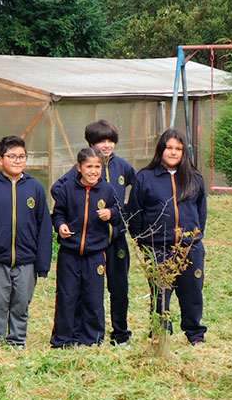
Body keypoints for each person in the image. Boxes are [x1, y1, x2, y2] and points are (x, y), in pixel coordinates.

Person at [0, 136, 52, 348]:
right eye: (12, 156)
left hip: (26, 259)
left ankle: (17, 341)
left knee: (21, 304)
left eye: (22, 156)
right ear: (0, 159)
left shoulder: (35, 188)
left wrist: (42, 263)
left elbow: (44, 227)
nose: (17, 161)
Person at [58, 120, 137, 345]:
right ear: (91, 143)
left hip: (116, 239)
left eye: (110, 140)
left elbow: (140, 189)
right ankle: (84, 334)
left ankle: (120, 333)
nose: (106, 145)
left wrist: (122, 213)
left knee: (119, 287)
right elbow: (58, 189)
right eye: (101, 141)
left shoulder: (122, 167)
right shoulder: (81, 169)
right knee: (89, 290)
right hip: (91, 241)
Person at [127, 129, 207, 345]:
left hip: (189, 247)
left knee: (192, 293)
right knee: (160, 294)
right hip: (158, 247)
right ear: (161, 150)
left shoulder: (194, 178)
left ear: (184, 153)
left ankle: (195, 334)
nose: (173, 153)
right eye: (169, 148)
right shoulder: (145, 178)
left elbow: (201, 212)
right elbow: (134, 213)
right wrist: (143, 241)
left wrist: (194, 236)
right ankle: (160, 333)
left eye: (178, 149)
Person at [49, 147, 119, 348]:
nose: (93, 171)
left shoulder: (107, 190)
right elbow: (58, 214)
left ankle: (92, 339)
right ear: (79, 167)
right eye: (89, 166)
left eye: (97, 166)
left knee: (93, 297)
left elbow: (119, 214)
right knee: (67, 295)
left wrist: (111, 214)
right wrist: (60, 226)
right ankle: (63, 339)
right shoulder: (67, 189)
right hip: (69, 253)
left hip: (95, 254)